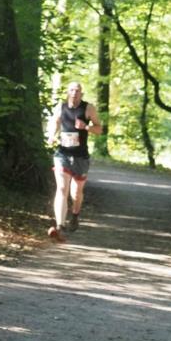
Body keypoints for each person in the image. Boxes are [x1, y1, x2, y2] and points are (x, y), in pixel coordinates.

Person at [45, 81, 102, 242]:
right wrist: (51, 135)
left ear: (81, 93)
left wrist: (85, 127)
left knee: (76, 193)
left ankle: (75, 216)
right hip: (62, 154)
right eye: (72, 90)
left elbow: (99, 129)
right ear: (67, 92)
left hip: (80, 157)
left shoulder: (88, 108)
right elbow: (55, 122)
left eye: (77, 90)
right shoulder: (60, 107)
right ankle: (59, 226)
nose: (74, 93)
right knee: (62, 188)